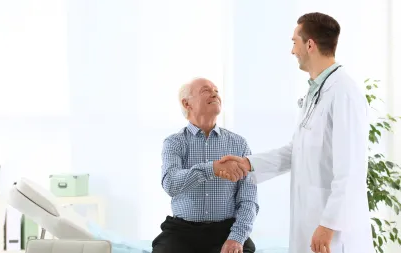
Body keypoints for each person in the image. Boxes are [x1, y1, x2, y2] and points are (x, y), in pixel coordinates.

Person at [219, 12, 373, 253]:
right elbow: (295, 151)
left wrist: (329, 223)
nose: (292, 51)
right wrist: (248, 163)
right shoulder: (316, 92)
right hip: (312, 221)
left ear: (309, 44)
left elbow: (351, 170)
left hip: (333, 231)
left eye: (294, 42)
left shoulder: (343, 93)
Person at [151, 77, 258, 253]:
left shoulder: (239, 144)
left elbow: (249, 199)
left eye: (216, 90)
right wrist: (212, 169)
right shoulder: (174, 143)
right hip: (182, 232)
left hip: (226, 231)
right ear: (187, 104)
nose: (214, 93)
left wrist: (236, 238)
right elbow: (170, 183)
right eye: (206, 90)